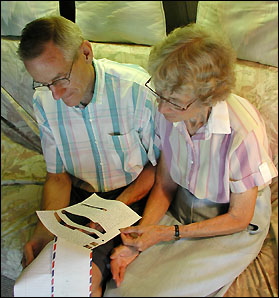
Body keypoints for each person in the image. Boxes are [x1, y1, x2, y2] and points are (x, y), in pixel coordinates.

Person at [107, 23, 278, 297]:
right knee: (122, 289)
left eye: (174, 101)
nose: (162, 109)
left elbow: (239, 217)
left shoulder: (243, 132)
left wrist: (166, 234)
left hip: (228, 224)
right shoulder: (171, 115)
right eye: (160, 94)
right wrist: (142, 235)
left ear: (210, 97)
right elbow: (164, 184)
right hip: (182, 207)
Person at [14, 16, 160, 297]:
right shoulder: (44, 100)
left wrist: (116, 208)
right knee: (41, 278)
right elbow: (57, 175)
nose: (55, 95)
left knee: (82, 282)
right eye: (43, 84)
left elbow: (158, 168)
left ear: (85, 53)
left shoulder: (136, 91)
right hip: (79, 198)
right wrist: (44, 228)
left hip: (131, 193)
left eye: (59, 79)